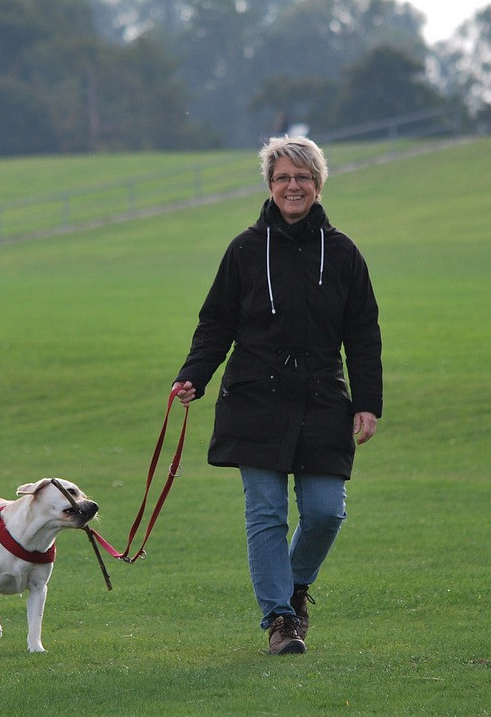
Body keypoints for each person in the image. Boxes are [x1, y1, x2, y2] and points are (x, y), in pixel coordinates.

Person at [172, 135, 383, 655]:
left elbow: (362, 333)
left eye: (303, 177)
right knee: (266, 512)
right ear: (270, 185)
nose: (294, 186)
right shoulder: (244, 249)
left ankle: (294, 588)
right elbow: (216, 322)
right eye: (284, 177)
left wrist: (367, 401)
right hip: (255, 396)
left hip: (322, 397)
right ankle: (281, 619)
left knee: (326, 511)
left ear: (318, 185)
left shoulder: (343, 252)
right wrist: (194, 374)